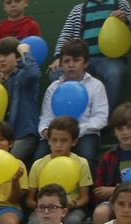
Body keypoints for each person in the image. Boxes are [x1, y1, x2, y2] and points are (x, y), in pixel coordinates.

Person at [52, 1, 131, 111]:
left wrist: (125, 22)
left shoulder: (120, 3)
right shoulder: (78, 9)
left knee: (114, 74)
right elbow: (66, 35)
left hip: (111, 60)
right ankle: (71, 120)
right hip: (81, 60)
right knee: (56, 74)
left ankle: (105, 120)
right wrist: (58, 57)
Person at [37, 39, 108, 167]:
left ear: (85, 63)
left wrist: (75, 132)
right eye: (66, 61)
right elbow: (46, 117)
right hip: (56, 135)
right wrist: (45, 131)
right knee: (39, 159)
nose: (71, 65)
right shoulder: (53, 88)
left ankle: (87, 187)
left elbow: (100, 118)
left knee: (86, 158)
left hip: (85, 133)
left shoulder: (96, 86)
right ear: (61, 64)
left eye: (76, 60)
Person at [27, 116, 92, 224]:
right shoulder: (38, 164)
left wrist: (72, 205)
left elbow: (85, 197)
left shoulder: (81, 163)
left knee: (73, 221)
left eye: (64, 140)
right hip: (44, 208)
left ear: (74, 141)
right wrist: (43, 206)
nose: (58, 145)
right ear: (49, 140)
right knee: (34, 223)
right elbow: (30, 200)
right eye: (54, 140)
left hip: (71, 208)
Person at [0, 37, 43, 164]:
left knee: (7, 162)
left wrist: (24, 53)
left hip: (25, 135)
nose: (1, 59)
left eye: (6, 55)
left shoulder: (23, 76)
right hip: (4, 138)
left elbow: (33, 74)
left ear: (17, 57)